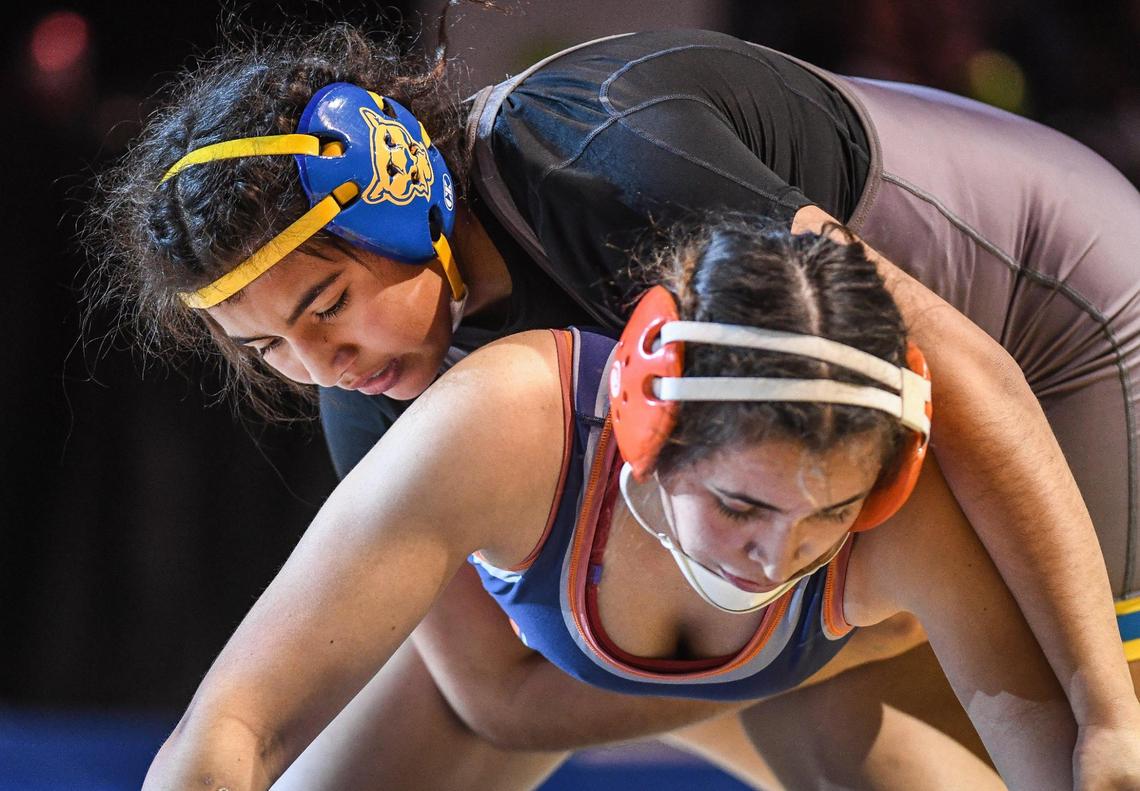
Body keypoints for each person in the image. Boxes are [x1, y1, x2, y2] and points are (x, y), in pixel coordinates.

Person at [84, 16, 1140, 788]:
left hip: (1056, 324)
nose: (321, 363)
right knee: (797, 679)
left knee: (1029, 719)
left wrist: (1104, 712)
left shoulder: (598, 157)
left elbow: (963, 367)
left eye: (326, 305)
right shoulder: (385, 393)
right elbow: (489, 690)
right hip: (851, 401)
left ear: (401, 201)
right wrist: (790, 651)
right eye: (269, 347)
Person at [142, 223, 1083, 789]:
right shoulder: (500, 426)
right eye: (739, 505)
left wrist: (1110, 726)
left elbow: (1063, 757)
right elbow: (230, 728)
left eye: (829, 514)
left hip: (1083, 351)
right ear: (646, 424)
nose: (776, 555)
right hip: (550, 668)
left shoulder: (902, 508)